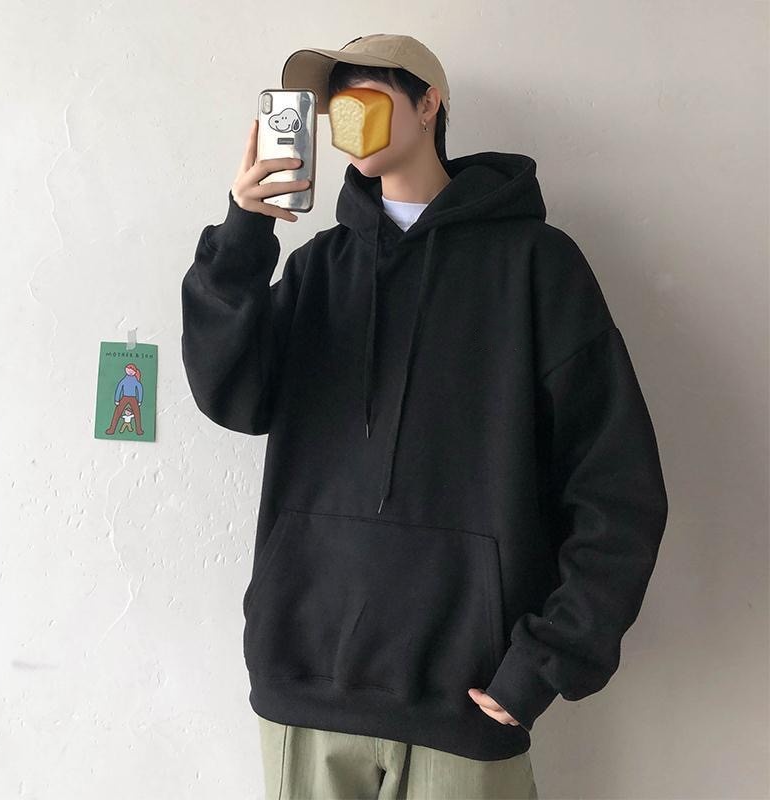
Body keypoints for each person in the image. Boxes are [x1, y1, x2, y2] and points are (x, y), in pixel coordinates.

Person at [180, 33, 668, 800]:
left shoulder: (538, 267)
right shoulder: (317, 269)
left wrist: (549, 659)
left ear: (428, 104)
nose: (345, 119)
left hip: (467, 699)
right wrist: (245, 232)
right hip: (307, 691)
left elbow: (618, 488)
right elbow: (229, 394)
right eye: (333, 107)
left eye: (364, 98)